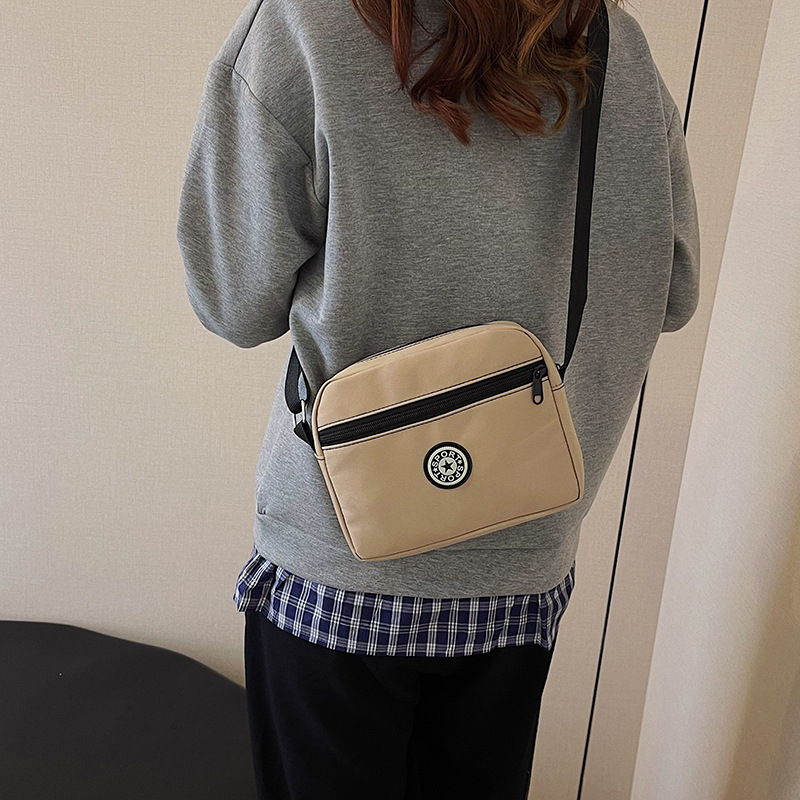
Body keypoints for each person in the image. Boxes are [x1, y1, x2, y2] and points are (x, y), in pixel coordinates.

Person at [175, 0, 701, 796]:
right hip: (522, 559)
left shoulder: (305, 24)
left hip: (343, 560)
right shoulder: (605, 38)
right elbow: (674, 288)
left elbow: (231, 299)